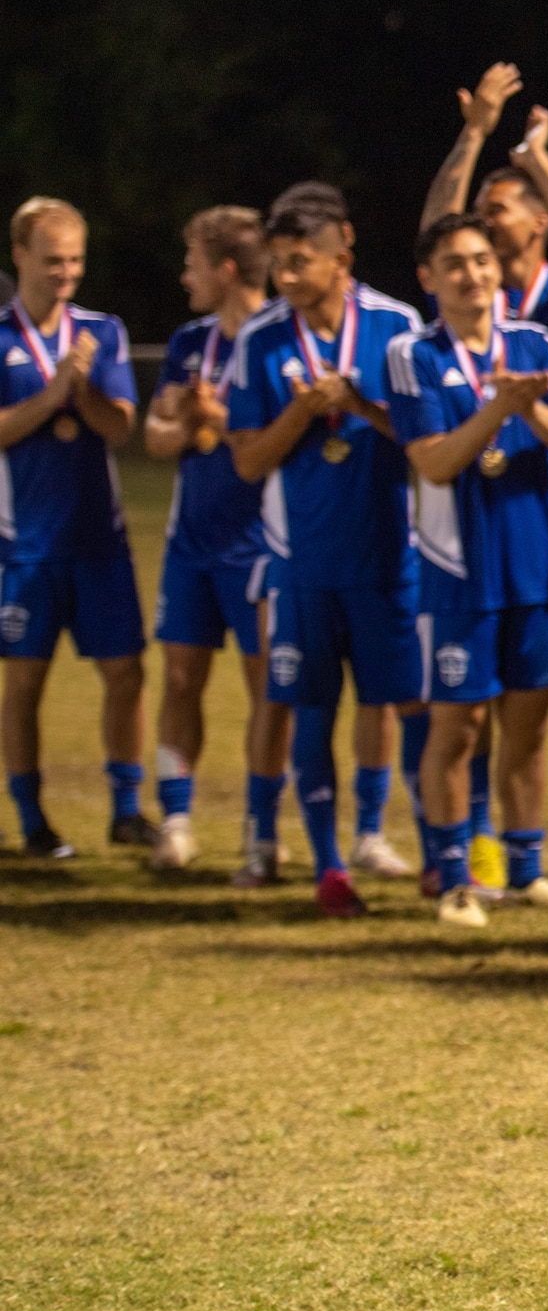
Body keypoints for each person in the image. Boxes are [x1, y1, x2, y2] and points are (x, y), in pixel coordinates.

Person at [421, 62, 548, 892]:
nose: (486, 225)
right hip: (487, 499)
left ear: (536, 220)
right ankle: (482, 844)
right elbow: (438, 226)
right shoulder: (466, 295)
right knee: (474, 693)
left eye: (502, 210)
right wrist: (475, 132)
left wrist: (535, 159)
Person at [387, 213, 548, 926]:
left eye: (482, 261)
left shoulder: (534, 341)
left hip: (538, 567)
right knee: (456, 728)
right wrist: (497, 408)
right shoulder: (411, 354)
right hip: (459, 572)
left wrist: (531, 408)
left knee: (530, 726)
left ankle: (524, 869)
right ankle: (454, 875)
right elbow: (434, 461)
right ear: (429, 279)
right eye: (455, 264)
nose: (473, 275)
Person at [226, 184, 427, 917]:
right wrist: (302, 412)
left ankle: (429, 854)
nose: (284, 278)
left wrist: (361, 407)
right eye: (277, 265)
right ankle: (327, 866)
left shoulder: (399, 328)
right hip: (302, 562)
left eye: (298, 262)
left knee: (409, 703)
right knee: (310, 712)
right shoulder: (261, 340)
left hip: (386, 557)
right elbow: (248, 461)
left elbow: (423, 440)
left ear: (343, 250)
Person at [0, 197, 151, 856]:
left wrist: (83, 391)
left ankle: (126, 808)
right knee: (24, 683)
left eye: (75, 260)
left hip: (99, 542)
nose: (65, 272)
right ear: (20, 257)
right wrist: (53, 391)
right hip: (24, 547)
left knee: (126, 674)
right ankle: (32, 820)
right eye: (53, 259)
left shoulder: (103, 332)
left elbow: (120, 426)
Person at [142, 207, 290, 875]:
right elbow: (157, 437)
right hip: (191, 543)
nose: (183, 277)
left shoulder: (280, 341)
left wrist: (215, 417)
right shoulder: (189, 343)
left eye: (193, 264)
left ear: (225, 270)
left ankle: (263, 826)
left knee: (268, 691)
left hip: (258, 543)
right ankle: (176, 818)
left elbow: (280, 433)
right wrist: (190, 421)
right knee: (178, 681)